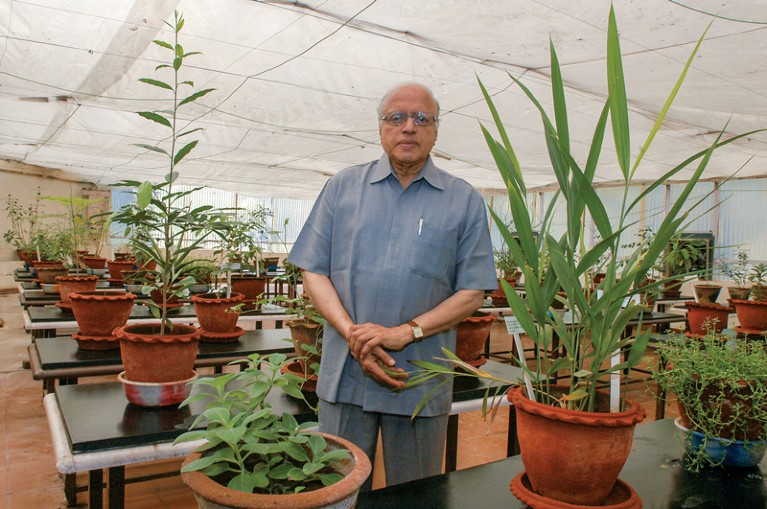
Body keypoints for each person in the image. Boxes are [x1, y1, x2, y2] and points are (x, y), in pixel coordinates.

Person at [287, 82, 497, 490]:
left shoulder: (462, 199)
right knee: (338, 490)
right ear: (380, 128)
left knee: (415, 492)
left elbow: (473, 290)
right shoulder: (343, 187)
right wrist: (353, 334)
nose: (408, 127)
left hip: (418, 377)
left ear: (436, 131)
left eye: (422, 118)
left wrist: (406, 332)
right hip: (346, 374)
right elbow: (313, 269)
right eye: (396, 117)